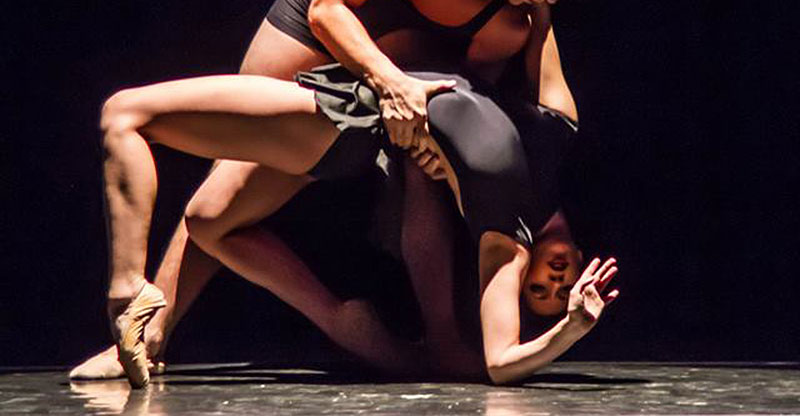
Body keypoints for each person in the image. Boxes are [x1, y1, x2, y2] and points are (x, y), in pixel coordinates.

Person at [71, 0, 611, 382]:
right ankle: (149, 335)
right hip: (329, 9)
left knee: (213, 210)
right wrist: (390, 81)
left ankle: (375, 329)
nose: (552, 2)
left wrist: (420, 138)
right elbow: (328, 10)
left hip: (381, 83)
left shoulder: (509, 21)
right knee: (219, 165)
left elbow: (469, 107)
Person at [96, 61, 619, 387]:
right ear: (579, 255)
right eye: (565, 281)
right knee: (208, 221)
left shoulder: (506, 246)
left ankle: (129, 298)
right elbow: (539, 1)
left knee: (128, 114)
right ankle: (356, 326)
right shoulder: (558, 129)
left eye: (544, 292)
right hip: (380, 86)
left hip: (353, 117)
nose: (558, 281)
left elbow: (502, 363)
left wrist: (570, 327)